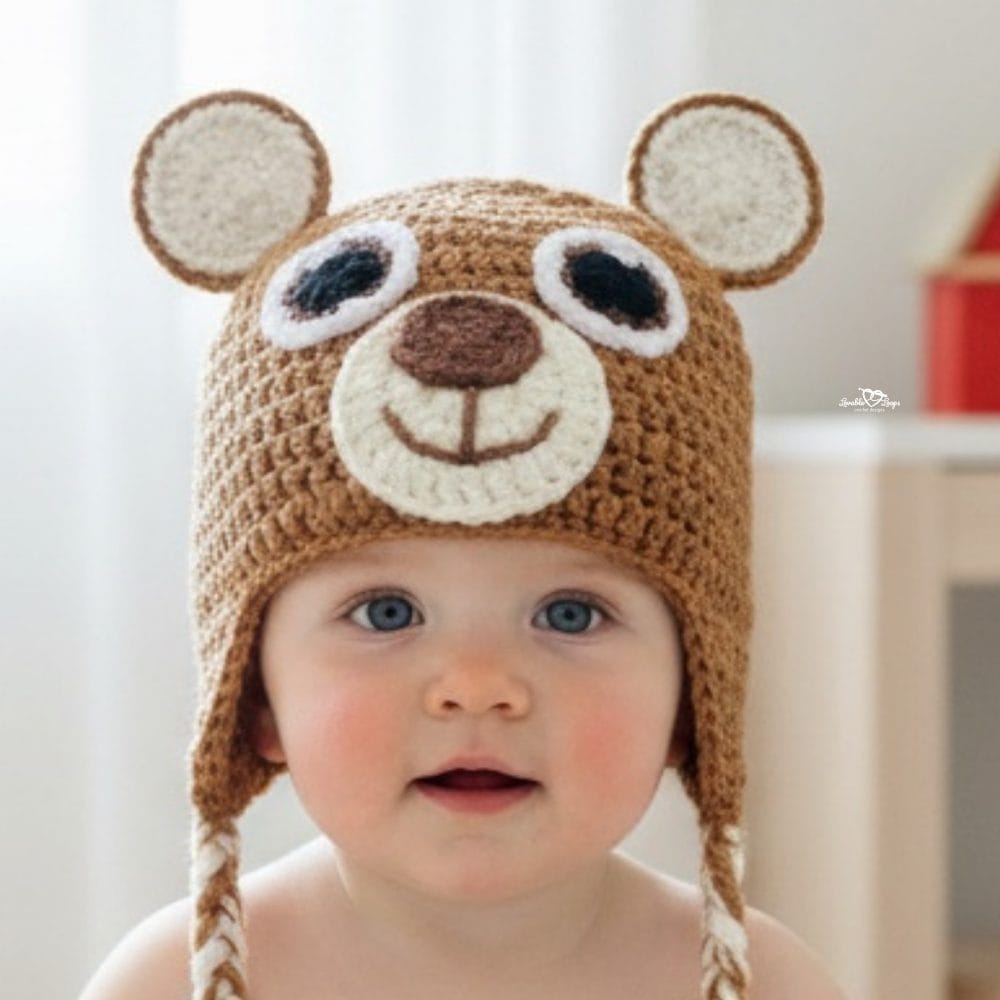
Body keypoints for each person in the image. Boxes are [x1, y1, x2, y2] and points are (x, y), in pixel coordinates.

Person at [81, 89, 847, 999]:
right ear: (253, 697)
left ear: (693, 698)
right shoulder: (171, 982)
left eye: (571, 613)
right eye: (385, 611)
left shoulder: (766, 983)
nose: (477, 685)